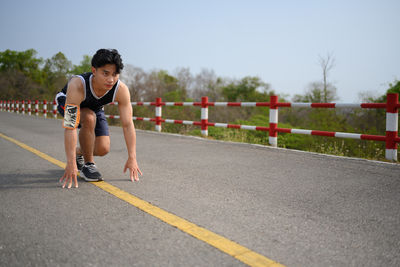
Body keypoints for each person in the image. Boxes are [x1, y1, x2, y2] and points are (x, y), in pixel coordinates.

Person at [56, 48, 142, 188]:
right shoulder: (77, 85)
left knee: (103, 148)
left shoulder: (121, 89)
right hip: (67, 100)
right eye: (105, 73)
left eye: (115, 74)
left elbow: (127, 125)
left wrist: (132, 157)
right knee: (89, 117)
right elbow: (70, 126)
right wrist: (70, 162)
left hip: (95, 106)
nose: (111, 79)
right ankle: (89, 165)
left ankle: (80, 151)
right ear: (94, 71)